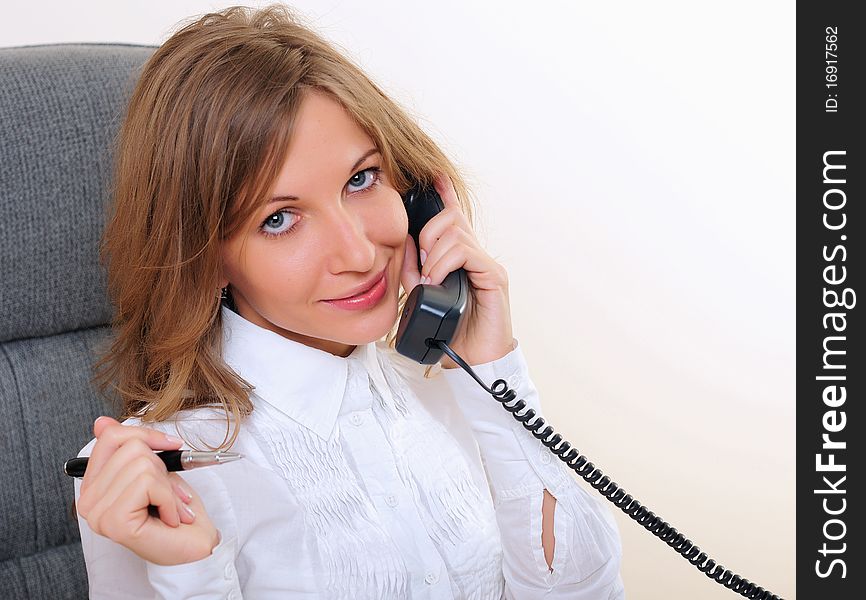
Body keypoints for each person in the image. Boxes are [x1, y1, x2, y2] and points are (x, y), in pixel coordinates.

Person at [73, 4, 624, 598]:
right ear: (204, 259)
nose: (359, 253)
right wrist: (191, 572)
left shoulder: (452, 388)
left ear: (414, 192)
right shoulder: (153, 476)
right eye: (280, 219)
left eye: (361, 180)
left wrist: (496, 376)